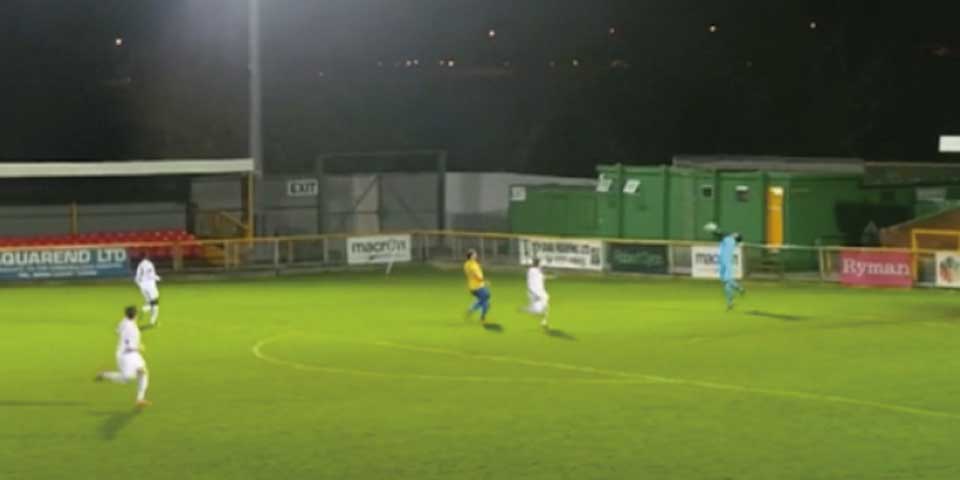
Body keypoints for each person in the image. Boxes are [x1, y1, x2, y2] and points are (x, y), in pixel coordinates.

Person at [96, 306, 151, 407]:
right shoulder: (131, 328)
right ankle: (104, 375)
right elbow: (129, 345)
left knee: (143, 372)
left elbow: (118, 330)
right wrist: (139, 347)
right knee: (127, 379)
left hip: (132, 354)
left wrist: (138, 330)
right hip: (126, 355)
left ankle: (140, 399)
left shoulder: (124, 321)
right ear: (135, 315)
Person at [718, 231, 746, 310]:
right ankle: (739, 289)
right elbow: (722, 235)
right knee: (726, 282)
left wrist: (715, 230)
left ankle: (730, 302)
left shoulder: (730, 240)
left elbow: (722, 234)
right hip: (722, 262)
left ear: (736, 237)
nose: (734, 233)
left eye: (736, 234)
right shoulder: (729, 239)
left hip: (726, 263)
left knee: (727, 282)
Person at [463, 249, 491, 323]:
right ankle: (472, 309)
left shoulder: (467, 264)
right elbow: (477, 276)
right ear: (471, 256)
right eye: (475, 254)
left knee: (486, 301)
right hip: (477, 286)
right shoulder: (472, 265)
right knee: (486, 297)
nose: (476, 255)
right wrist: (485, 281)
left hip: (472, 286)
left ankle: (482, 317)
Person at [135, 254, 161, 325]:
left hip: (142, 286)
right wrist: (158, 278)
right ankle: (142, 311)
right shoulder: (149, 264)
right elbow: (150, 274)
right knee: (154, 303)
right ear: (147, 257)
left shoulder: (139, 265)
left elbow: (136, 278)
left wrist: (140, 285)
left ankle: (152, 321)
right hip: (150, 285)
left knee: (150, 303)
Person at [526, 258, 550, 330]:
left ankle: (543, 321)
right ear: (538, 263)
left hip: (537, 291)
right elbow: (539, 277)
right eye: (540, 263)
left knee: (545, 306)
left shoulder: (533, 270)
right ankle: (530, 310)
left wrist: (549, 277)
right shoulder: (533, 271)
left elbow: (542, 277)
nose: (541, 264)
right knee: (540, 309)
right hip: (536, 292)